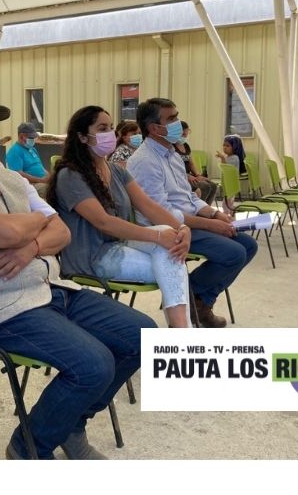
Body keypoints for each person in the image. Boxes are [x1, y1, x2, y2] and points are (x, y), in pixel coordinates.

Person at [0, 96, 157, 459]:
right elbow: (6, 234)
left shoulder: (8, 177)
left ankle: (69, 425)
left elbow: (62, 232)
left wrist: (30, 246)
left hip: (50, 289)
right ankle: (29, 447)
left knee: (143, 335)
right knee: (93, 365)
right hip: (1, 308)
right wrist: (35, 222)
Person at [49, 106, 193, 328]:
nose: (110, 133)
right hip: (92, 257)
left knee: (170, 244)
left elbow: (148, 206)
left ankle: (180, 330)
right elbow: (104, 223)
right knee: (172, 261)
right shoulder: (70, 176)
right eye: (102, 128)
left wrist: (182, 229)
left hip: (120, 245)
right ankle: (182, 330)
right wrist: (158, 237)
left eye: (111, 127)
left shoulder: (117, 170)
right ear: (82, 136)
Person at [128, 97, 258, 328]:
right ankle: (189, 296)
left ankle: (197, 299)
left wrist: (214, 214)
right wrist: (209, 224)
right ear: (154, 128)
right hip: (166, 227)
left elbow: (188, 196)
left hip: (189, 222)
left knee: (248, 245)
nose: (178, 123)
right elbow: (161, 212)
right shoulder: (145, 161)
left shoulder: (172, 154)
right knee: (234, 253)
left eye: (177, 116)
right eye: (171, 119)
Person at [175, 121, 216, 202]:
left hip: (189, 175)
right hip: (179, 176)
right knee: (204, 186)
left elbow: (191, 163)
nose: (184, 137)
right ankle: (199, 208)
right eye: (183, 135)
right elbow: (173, 167)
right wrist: (187, 176)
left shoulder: (186, 145)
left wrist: (198, 175)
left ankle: (207, 208)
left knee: (213, 185)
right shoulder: (171, 146)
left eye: (186, 135)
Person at [4, 122, 49, 193]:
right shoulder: (14, 151)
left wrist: (49, 177)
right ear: (21, 136)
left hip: (41, 181)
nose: (33, 140)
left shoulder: (32, 149)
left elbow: (40, 166)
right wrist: (41, 180)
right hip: (30, 185)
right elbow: (19, 174)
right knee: (49, 190)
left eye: (34, 138)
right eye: (31, 138)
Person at [215, 134, 247, 213]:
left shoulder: (235, 158)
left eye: (228, 146)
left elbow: (227, 169)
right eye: (224, 145)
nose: (224, 147)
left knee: (226, 205)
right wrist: (223, 158)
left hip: (231, 185)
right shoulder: (228, 157)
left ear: (235, 147)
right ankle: (232, 215)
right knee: (228, 204)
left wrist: (222, 158)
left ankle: (227, 217)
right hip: (227, 184)